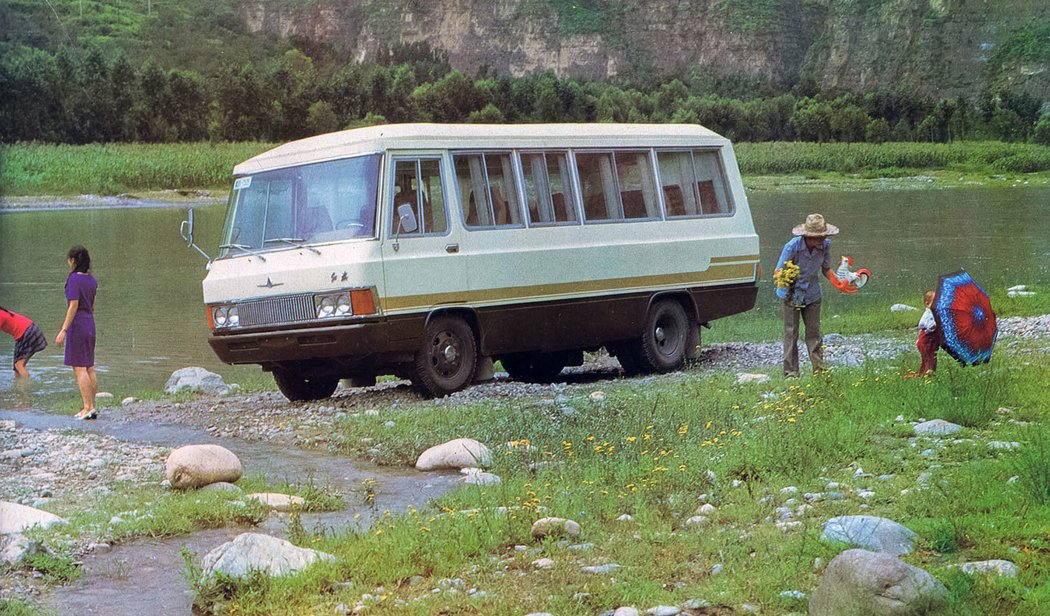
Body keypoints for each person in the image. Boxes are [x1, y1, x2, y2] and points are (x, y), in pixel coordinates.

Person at [776, 213, 838, 377]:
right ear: (806, 237)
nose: (820, 240)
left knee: (814, 333)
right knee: (791, 332)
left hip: (812, 293)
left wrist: (839, 282)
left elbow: (826, 269)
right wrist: (788, 281)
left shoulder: (826, 246)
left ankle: (819, 370)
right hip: (791, 293)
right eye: (816, 237)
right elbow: (779, 271)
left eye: (822, 237)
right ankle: (791, 372)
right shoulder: (792, 247)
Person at [55, 245, 98, 420]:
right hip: (90, 323)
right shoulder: (92, 280)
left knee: (79, 368)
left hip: (78, 325)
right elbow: (92, 306)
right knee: (89, 367)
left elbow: (73, 305)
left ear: (73, 261)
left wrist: (63, 330)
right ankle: (92, 406)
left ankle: (87, 407)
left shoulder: (74, 279)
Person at [1, 306, 47, 379]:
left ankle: (26, 386)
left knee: (18, 365)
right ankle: (20, 388)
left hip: (26, 332)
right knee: (17, 368)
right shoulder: (2, 312)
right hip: (29, 330)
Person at [915, 291, 939, 375]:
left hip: (931, 342)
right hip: (926, 342)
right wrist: (935, 325)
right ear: (927, 303)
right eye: (935, 301)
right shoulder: (928, 314)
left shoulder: (934, 313)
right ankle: (929, 376)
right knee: (930, 359)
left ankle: (923, 374)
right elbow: (922, 324)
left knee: (928, 359)